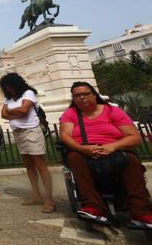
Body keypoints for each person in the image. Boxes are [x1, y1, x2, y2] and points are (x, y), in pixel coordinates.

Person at [59, 81, 152, 226]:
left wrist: (113, 146)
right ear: (73, 98)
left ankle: (141, 212)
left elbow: (134, 137)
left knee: (132, 161)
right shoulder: (70, 114)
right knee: (74, 157)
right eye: (77, 95)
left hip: (115, 149)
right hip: (84, 150)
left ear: (94, 95)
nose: (82, 98)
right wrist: (82, 149)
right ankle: (93, 207)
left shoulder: (113, 111)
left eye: (85, 94)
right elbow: (65, 135)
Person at [0, 73, 54, 213]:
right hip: (18, 132)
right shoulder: (10, 98)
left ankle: (49, 199)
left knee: (40, 165)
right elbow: (3, 115)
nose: (9, 89)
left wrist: (11, 111)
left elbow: (24, 110)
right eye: (6, 87)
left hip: (31, 131)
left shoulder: (28, 93)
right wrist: (16, 112)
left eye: (10, 86)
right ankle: (36, 194)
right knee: (29, 165)